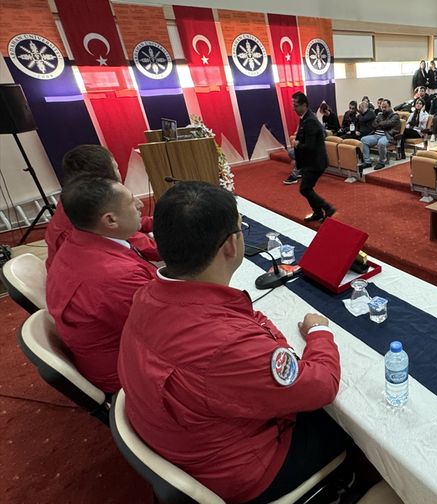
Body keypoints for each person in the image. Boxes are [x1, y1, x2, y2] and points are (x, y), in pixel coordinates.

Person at [117, 182, 351, 504]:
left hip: (183, 443)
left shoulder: (147, 295)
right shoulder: (227, 344)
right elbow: (322, 385)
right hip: (246, 471)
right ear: (231, 245)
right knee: (349, 424)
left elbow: (247, 324)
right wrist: (319, 333)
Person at [47, 175, 156, 393]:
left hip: (113, 352)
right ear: (110, 220)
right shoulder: (116, 276)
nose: (140, 204)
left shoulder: (79, 241)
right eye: (132, 201)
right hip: (129, 375)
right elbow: (164, 330)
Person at [46, 145, 159, 270]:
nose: (140, 204)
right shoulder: (92, 212)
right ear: (103, 180)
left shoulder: (79, 199)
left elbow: (126, 221)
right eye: (116, 168)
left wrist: (159, 221)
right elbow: (155, 250)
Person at [292, 92, 336, 222]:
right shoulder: (305, 118)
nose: (294, 108)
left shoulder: (310, 120)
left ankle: (327, 208)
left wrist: (298, 144)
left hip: (315, 162)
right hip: (310, 161)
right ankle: (318, 213)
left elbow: (310, 146)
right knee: (306, 188)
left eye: (296, 105)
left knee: (305, 188)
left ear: (304, 105)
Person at [359, 99, 401, 170]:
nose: (383, 109)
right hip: (376, 135)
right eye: (382, 107)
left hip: (387, 135)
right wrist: (382, 124)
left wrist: (380, 123)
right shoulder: (380, 115)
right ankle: (367, 162)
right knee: (363, 140)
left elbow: (388, 123)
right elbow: (373, 124)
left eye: (385, 107)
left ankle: (382, 162)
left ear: (390, 106)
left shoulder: (395, 116)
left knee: (381, 142)